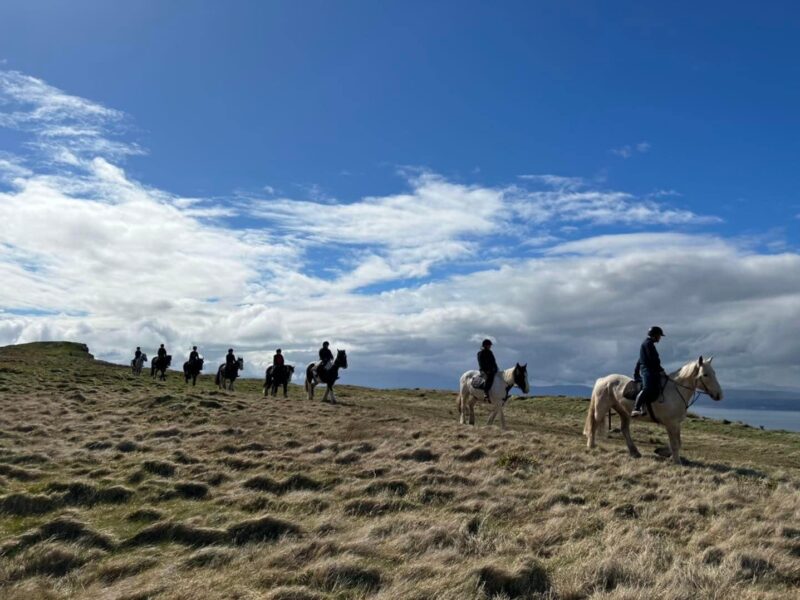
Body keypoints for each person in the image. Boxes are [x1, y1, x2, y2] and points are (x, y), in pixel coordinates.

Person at [631, 326, 666, 417]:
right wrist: (661, 370)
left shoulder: (649, 344)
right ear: (654, 335)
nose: (660, 338)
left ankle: (644, 407)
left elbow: (641, 359)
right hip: (648, 371)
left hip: (652, 370)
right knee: (647, 388)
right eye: (659, 336)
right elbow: (652, 360)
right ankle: (636, 408)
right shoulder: (647, 344)